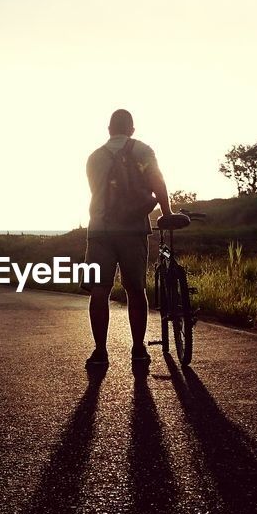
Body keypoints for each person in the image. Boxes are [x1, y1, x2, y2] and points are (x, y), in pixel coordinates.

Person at [84, 109, 173, 367]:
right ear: (131, 129)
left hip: (99, 230)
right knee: (135, 290)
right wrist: (167, 213)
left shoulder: (94, 158)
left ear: (109, 129)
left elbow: (97, 192)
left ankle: (100, 352)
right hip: (132, 229)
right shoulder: (142, 151)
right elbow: (157, 181)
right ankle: (137, 350)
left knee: (99, 291)